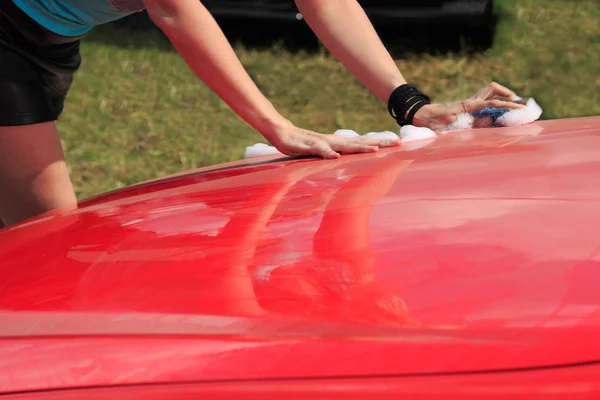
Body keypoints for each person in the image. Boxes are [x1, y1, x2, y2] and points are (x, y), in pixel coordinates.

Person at [0, 0, 524, 227]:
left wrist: (411, 106)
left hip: (47, 41)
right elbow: (174, 11)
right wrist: (277, 127)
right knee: (45, 235)